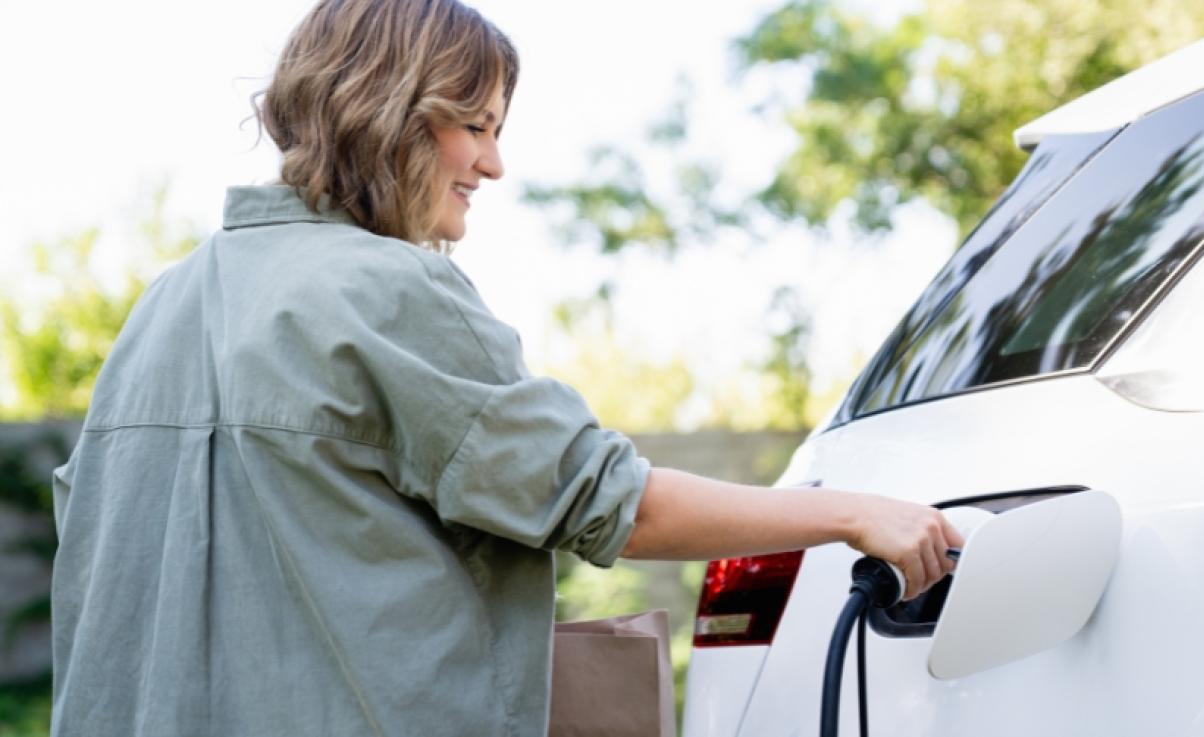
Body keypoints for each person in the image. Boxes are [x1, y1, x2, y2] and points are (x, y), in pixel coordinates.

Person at [48, 1, 962, 735]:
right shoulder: (388, 291)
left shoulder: (161, 308)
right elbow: (616, 504)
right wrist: (853, 513)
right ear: (391, 111)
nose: (493, 162)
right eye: (474, 126)